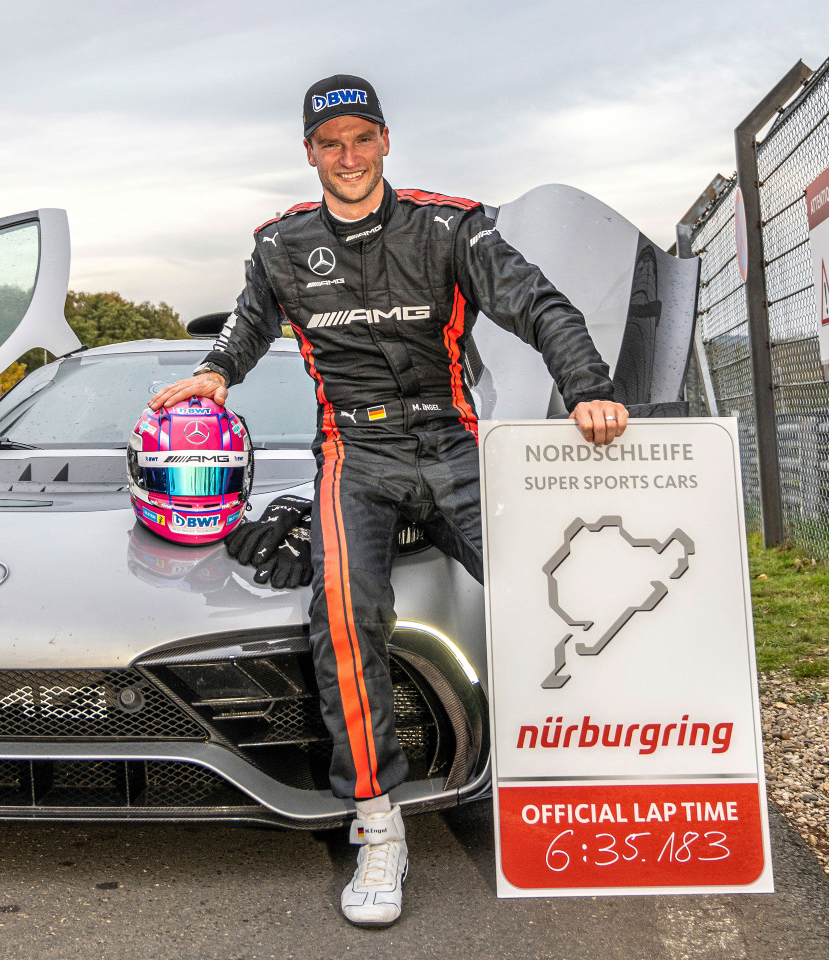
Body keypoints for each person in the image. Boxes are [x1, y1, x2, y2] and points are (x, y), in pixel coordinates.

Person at [148, 74, 628, 927]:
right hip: (354, 452)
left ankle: (610, 773)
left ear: (385, 141)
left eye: (361, 139)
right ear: (309, 153)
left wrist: (587, 387)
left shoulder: (451, 225)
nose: (348, 157)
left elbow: (540, 305)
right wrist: (216, 373)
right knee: (343, 614)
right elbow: (248, 325)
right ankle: (378, 826)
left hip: (452, 440)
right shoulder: (280, 244)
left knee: (561, 594)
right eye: (330, 144)